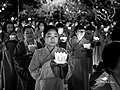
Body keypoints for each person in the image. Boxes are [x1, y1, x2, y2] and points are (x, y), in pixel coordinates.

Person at [29, 25, 73, 90]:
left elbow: (70, 70)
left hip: (59, 84)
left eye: (55, 36)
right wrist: (49, 66)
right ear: (44, 37)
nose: (53, 39)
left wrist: (65, 68)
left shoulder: (63, 52)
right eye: (49, 36)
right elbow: (33, 71)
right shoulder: (38, 53)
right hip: (43, 85)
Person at [13, 25, 43, 90]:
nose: (30, 34)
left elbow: (44, 57)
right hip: (25, 73)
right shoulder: (20, 45)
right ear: (24, 35)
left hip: (37, 72)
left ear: (34, 34)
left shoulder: (39, 45)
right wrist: (27, 56)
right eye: (27, 33)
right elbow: (16, 59)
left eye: (31, 32)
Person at [66, 24, 91, 90]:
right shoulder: (71, 41)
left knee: (83, 80)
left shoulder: (86, 41)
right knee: (74, 79)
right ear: (76, 32)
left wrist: (89, 51)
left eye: (83, 31)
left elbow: (90, 55)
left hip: (83, 63)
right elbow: (67, 52)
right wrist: (72, 51)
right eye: (80, 31)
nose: (82, 33)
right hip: (74, 63)